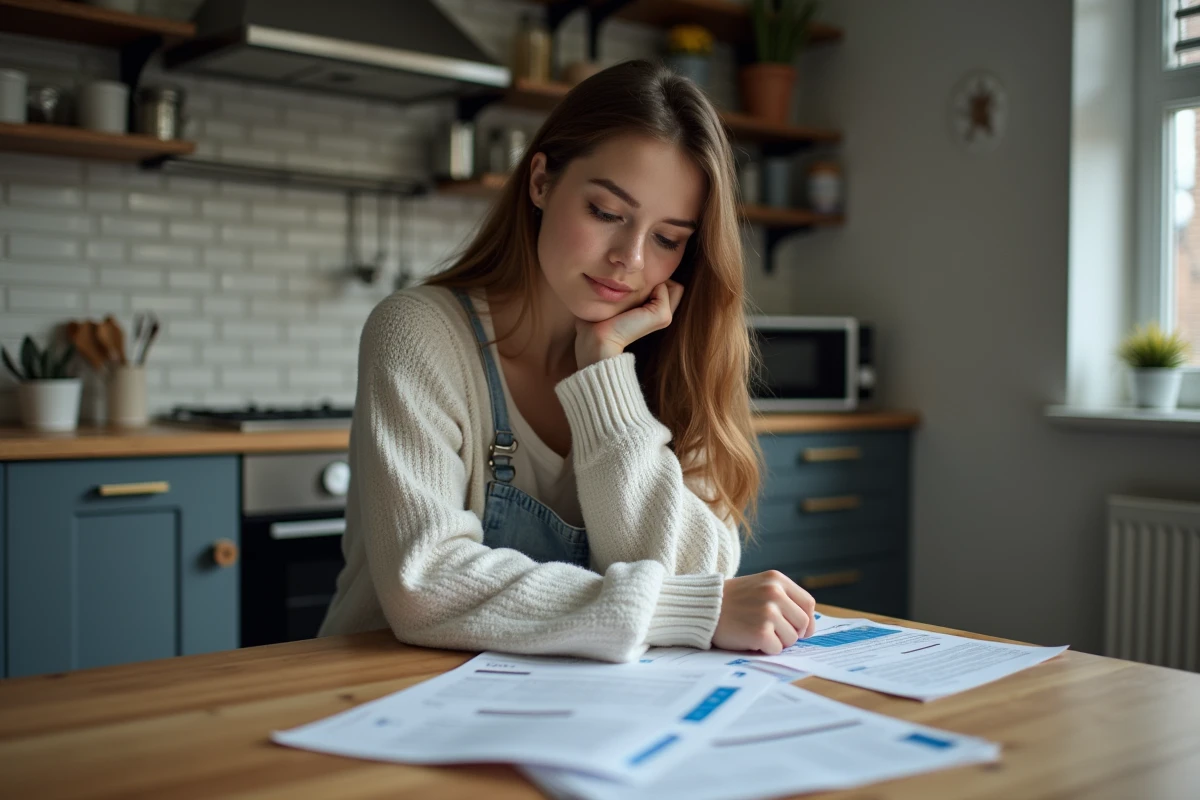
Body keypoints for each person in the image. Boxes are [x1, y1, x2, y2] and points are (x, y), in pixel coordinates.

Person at [319, 59, 817, 662]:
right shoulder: (419, 331)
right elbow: (425, 583)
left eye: (667, 238)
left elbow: (696, 567)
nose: (629, 259)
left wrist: (603, 376)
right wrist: (679, 611)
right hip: (385, 690)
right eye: (607, 213)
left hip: (579, 707)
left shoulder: (679, 359)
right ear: (541, 182)